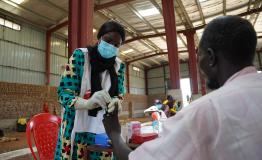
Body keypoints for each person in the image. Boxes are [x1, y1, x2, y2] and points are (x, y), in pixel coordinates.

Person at [103, 16, 262, 160]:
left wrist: (115, 135)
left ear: (211, 57)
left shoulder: (203, 112)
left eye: (199, 56)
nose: (199, 67)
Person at [54, 20, 126, 160]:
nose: (111, 46)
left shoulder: (119, 66)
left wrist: (117, 101)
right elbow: (63, 93)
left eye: (116, 45)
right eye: (108, 40)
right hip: (76, 126)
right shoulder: (81, 57)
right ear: (99, 39)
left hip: (103, 131)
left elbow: (119, 94)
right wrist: (87, 103)